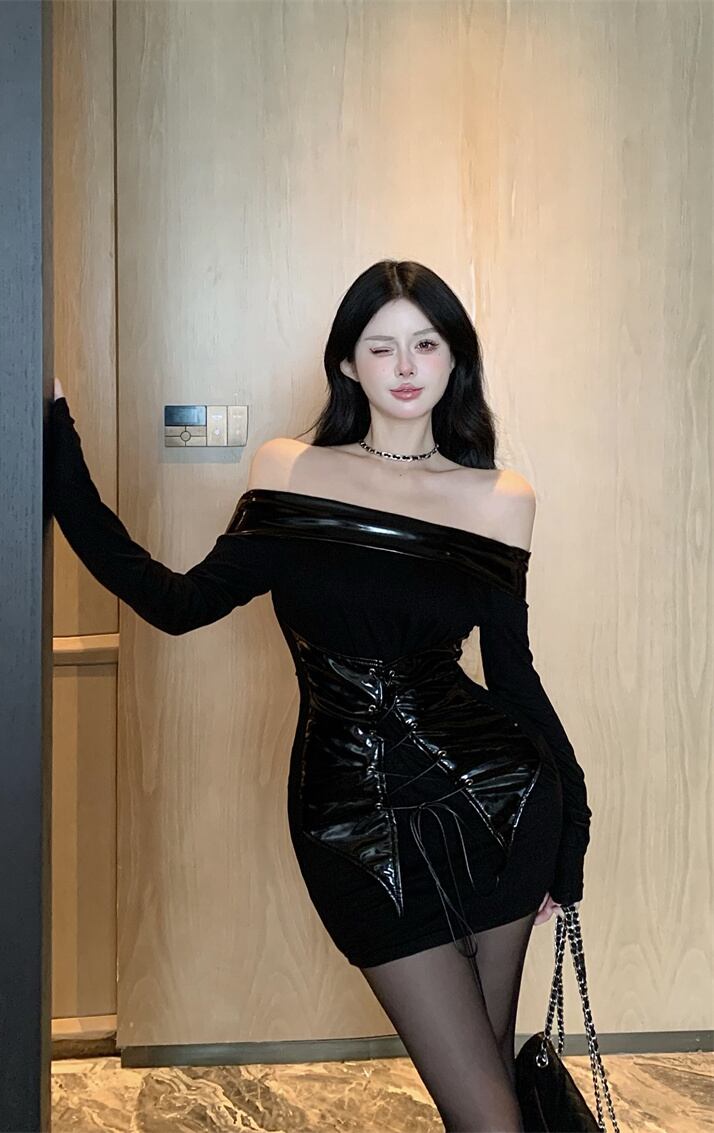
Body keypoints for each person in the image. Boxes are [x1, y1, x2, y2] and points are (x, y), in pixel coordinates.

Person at [48, 259, 591, 1131]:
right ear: (347, 362)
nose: (406, 366)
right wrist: (57, 444)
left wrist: (571, 838)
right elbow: (178, 603)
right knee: (487, 1110)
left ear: (456, 359)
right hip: (348, 817)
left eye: (427, 344)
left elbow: (515, 676)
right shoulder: (291, 470)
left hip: (499, 802)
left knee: (488, 1099)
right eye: (382, 346)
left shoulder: (498, 498)